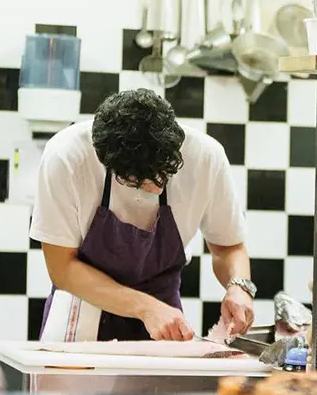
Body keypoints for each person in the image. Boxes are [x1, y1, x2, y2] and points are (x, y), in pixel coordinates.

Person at [29, 88, 256, 342]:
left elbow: (228, 248)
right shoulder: (67, 157)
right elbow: (62, 267)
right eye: (140, 181)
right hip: (82, 309)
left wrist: (239, 286)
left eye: (163, 175)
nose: (156, 188)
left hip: (163, 317)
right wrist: (145, 307)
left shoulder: (206, 159)